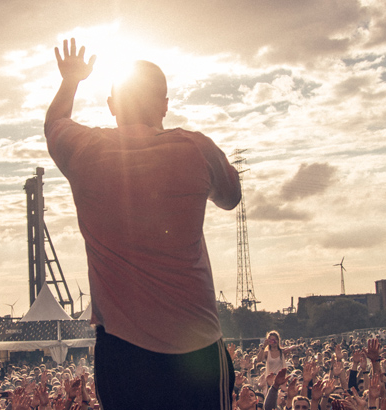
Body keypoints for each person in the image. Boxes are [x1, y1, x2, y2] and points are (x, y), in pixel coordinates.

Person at [44, 38, 242, 410]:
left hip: (122, 352)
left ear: (112, 105)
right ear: (165, 105)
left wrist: (71, 80)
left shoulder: (84, 150)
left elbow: (55, 122)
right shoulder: (197, 150)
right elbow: (231, 197)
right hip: (195, 348)